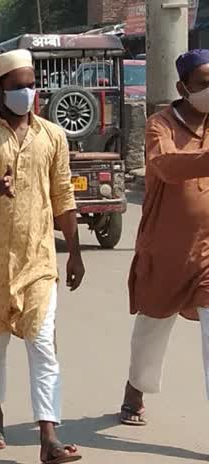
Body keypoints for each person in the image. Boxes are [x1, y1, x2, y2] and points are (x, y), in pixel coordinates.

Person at [0, 49, 85, 464]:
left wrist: (75, 251)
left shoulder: (53, 136)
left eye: (31, 85)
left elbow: (63, 195)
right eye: (17, 86)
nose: (26, 92)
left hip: (39, 260)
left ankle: (49, 435)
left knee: (43, 344)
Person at [119, 49, 209, 427]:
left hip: (207, 251)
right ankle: (135, 388)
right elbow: (165, 166)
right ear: (182, 87)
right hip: (165, 248)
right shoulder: (160, 125)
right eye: (204, 83)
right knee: (152, 327)